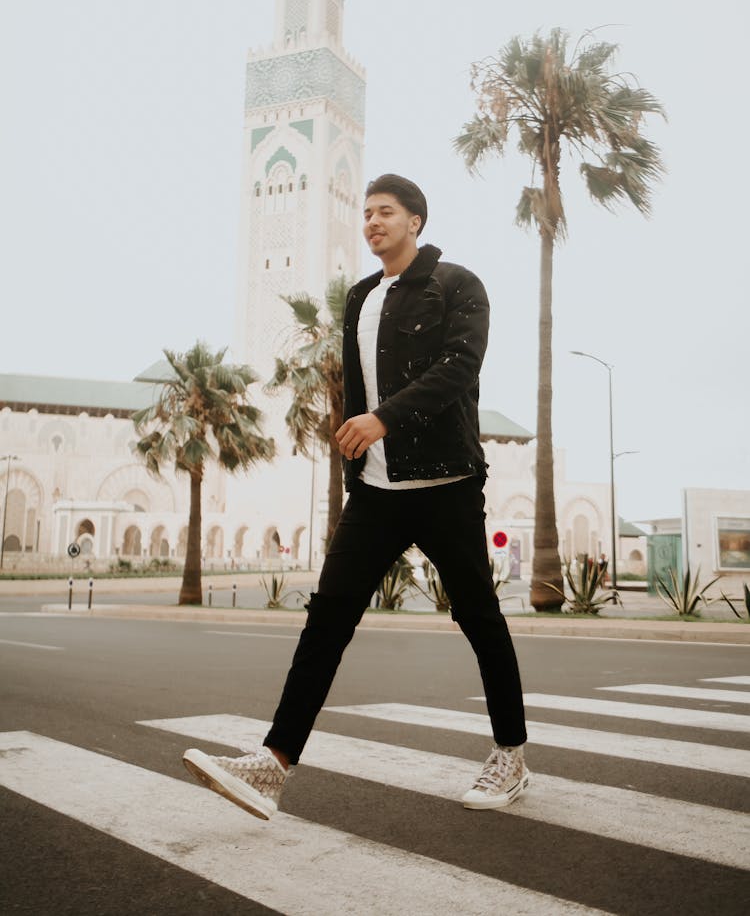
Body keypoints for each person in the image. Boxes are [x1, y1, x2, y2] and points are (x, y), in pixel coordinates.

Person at [183, 174, 529, 819]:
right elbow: (354, 394)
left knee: (479, 618)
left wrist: (383, 420)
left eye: (386, 212)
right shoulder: (361, 297)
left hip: (446, 484)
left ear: (416, 221)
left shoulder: (457, 284)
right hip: (375, 489)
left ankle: (510, 753)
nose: (372, 222)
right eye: (366, 213)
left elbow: (458, 369)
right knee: (328, 618)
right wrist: (356, 455)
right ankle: (273, 764)